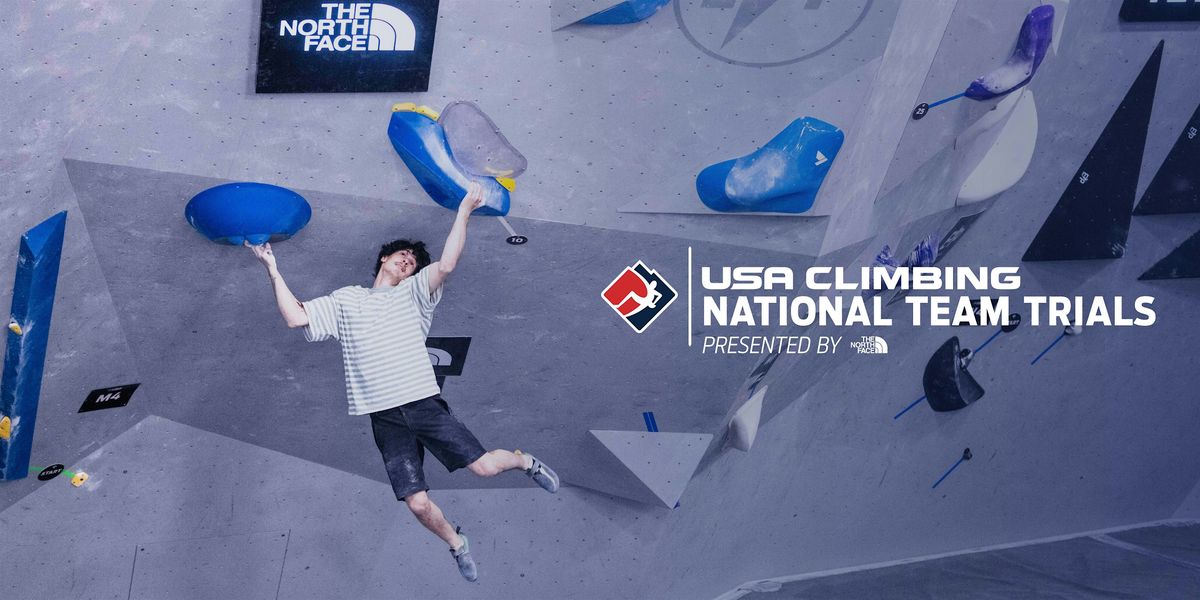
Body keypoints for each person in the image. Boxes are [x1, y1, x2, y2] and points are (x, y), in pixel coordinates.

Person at [247, 182, 558, 582]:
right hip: (384, 416)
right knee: (417, 504)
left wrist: (464, 211)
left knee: (483, 468)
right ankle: (457, 543)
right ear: (384, 258)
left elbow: (446, 265)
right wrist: (272, 269)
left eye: (413, 261)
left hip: (421, 403)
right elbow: (295, 317)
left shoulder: (415, 294)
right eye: (403, 254)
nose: (408, 260)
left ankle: (525, 461)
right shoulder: (346, 300)